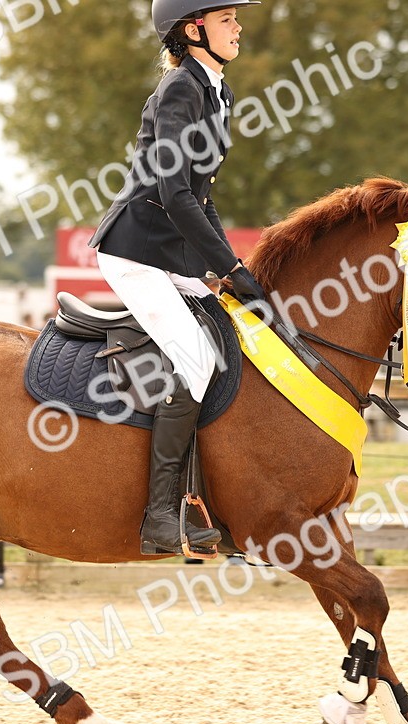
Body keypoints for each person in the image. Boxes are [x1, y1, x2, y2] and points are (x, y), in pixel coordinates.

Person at [86, 0, 259, 556]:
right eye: (228, 19)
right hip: (135, 252)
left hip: (168, 254)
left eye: (235, 18)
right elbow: (172, 193)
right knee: (198, 358)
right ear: (194, 29)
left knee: (228, 334)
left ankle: (210, 496)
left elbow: (200, 198)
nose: (238, 26)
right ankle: (161, 516)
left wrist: (231, 270)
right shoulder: (181, 89)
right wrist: (228, 267)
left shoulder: (213, 89)